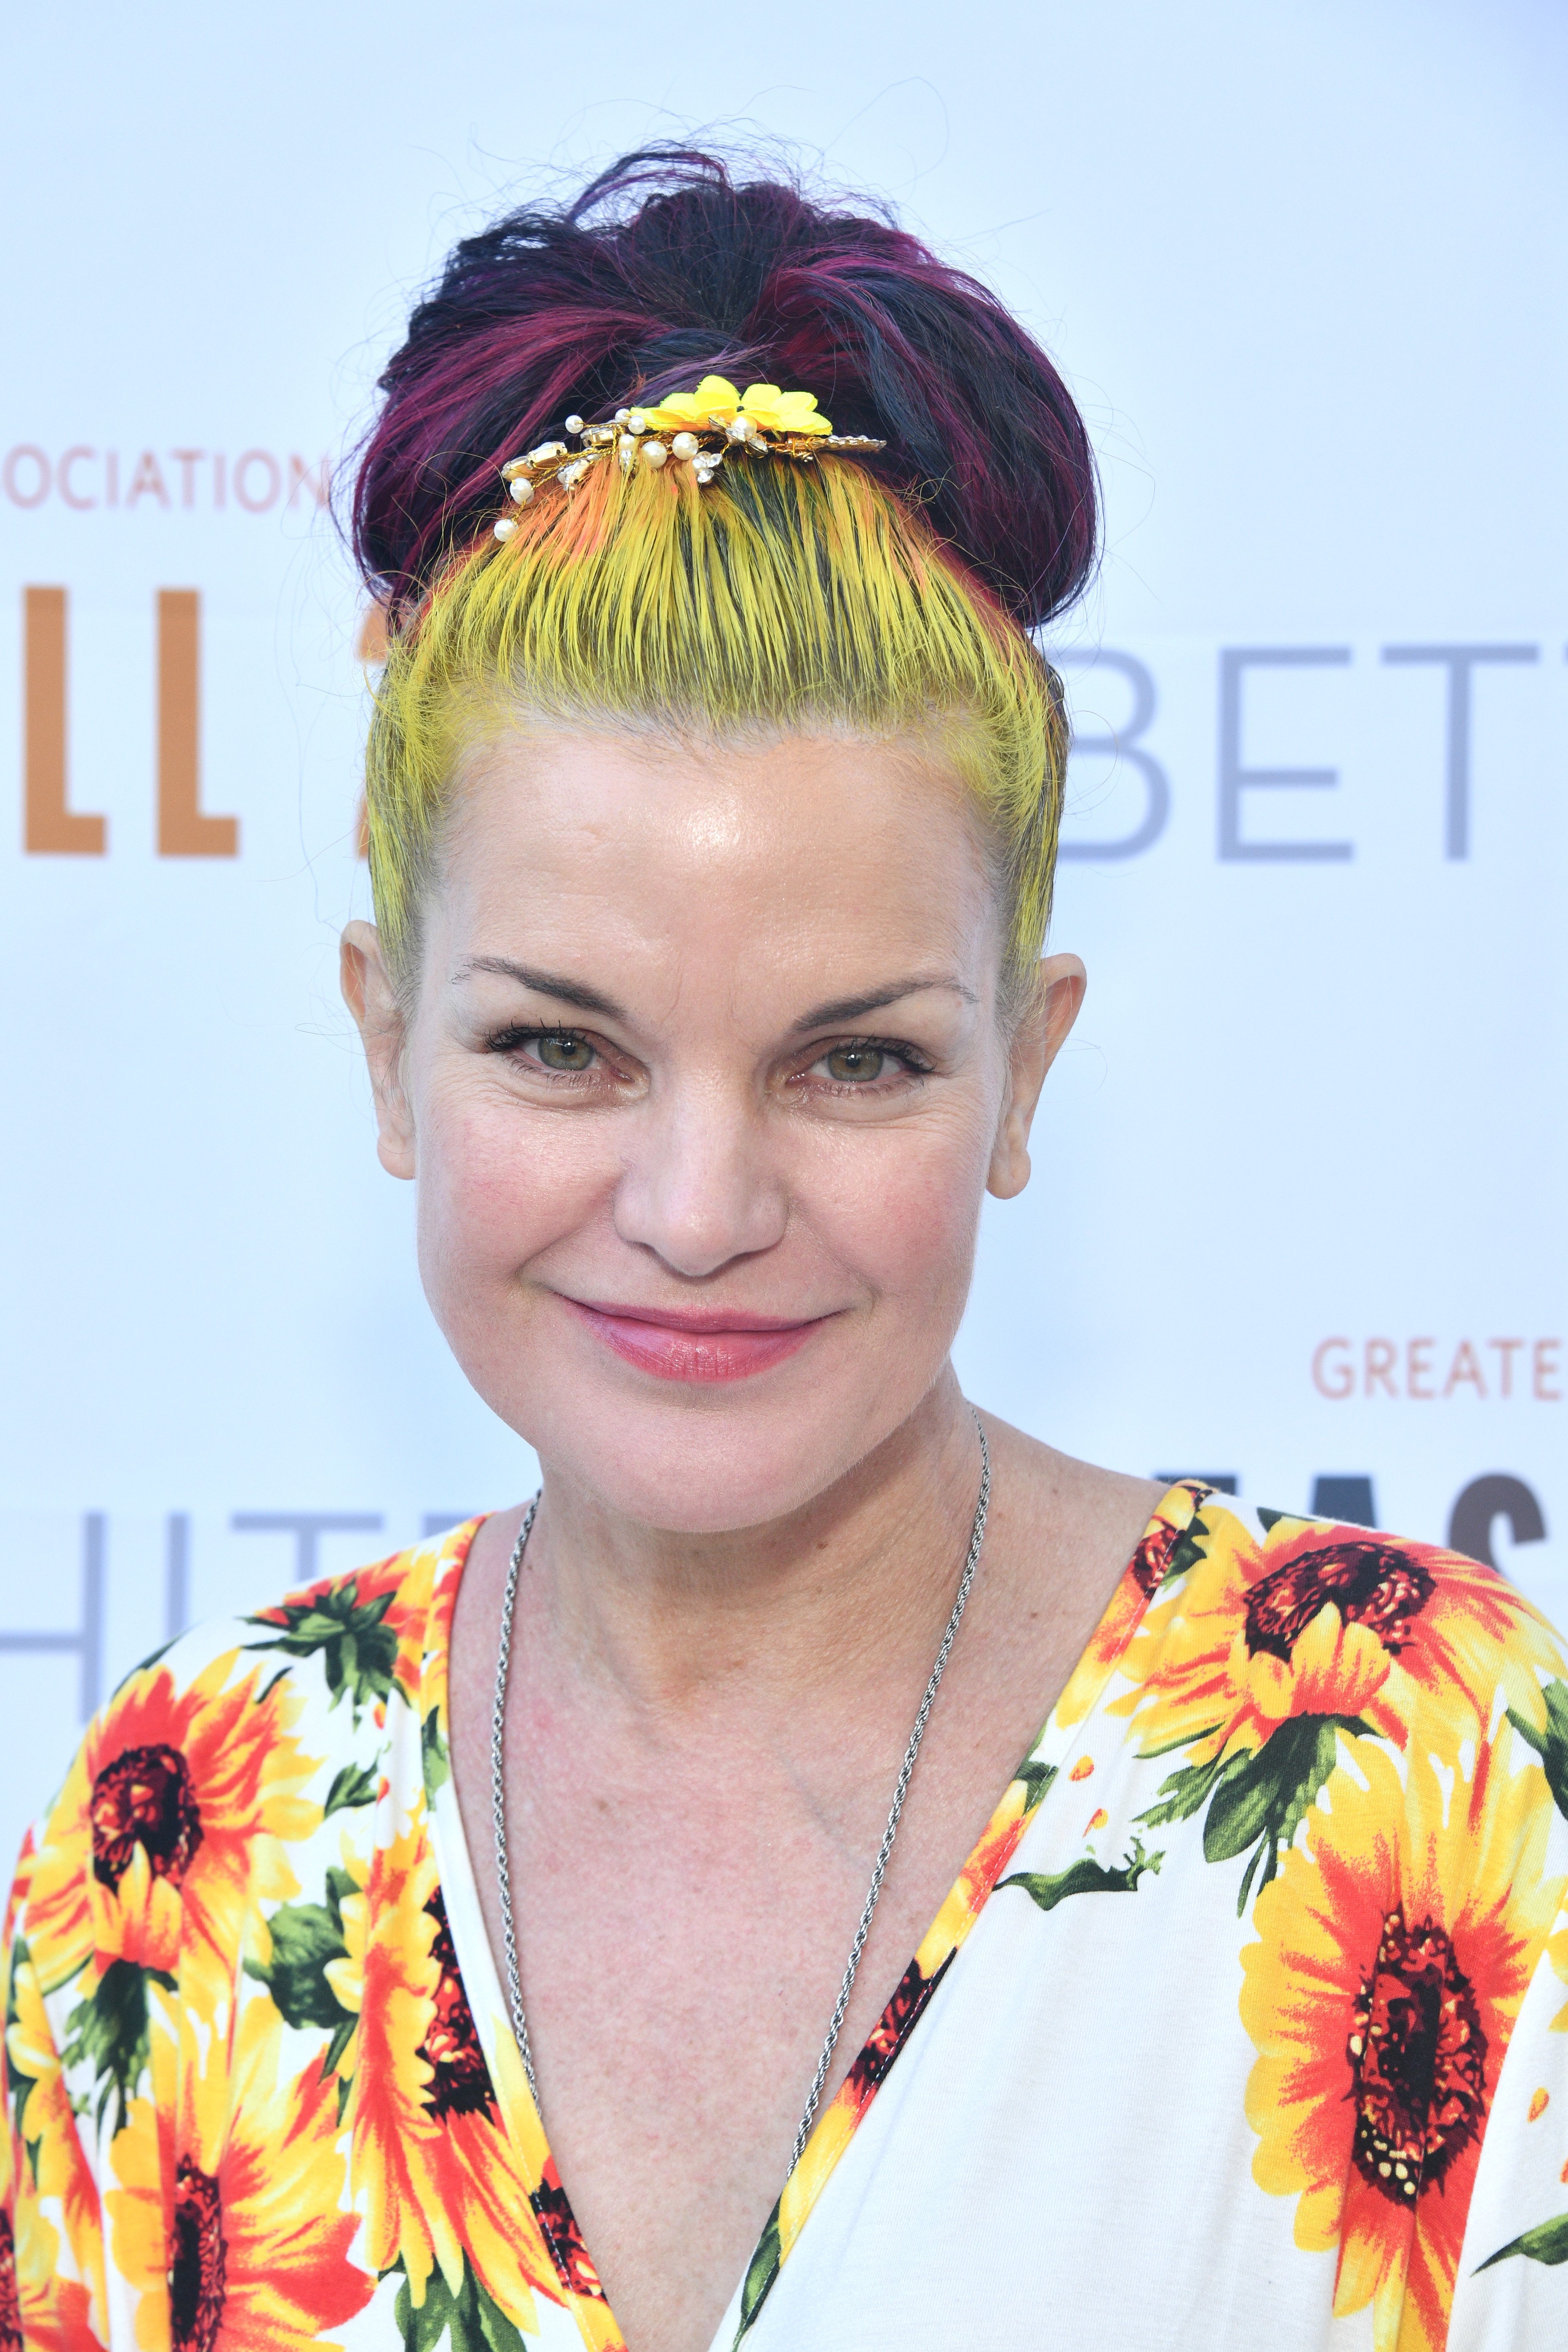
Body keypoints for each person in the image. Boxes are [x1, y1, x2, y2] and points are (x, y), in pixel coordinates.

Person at [5, 149, 1567, 2352]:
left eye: (851, 1063)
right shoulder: (180, 1839)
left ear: (1023, 1073)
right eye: (561, 1046)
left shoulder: (1429, 1764)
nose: (700, 1208)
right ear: (385, 1048)